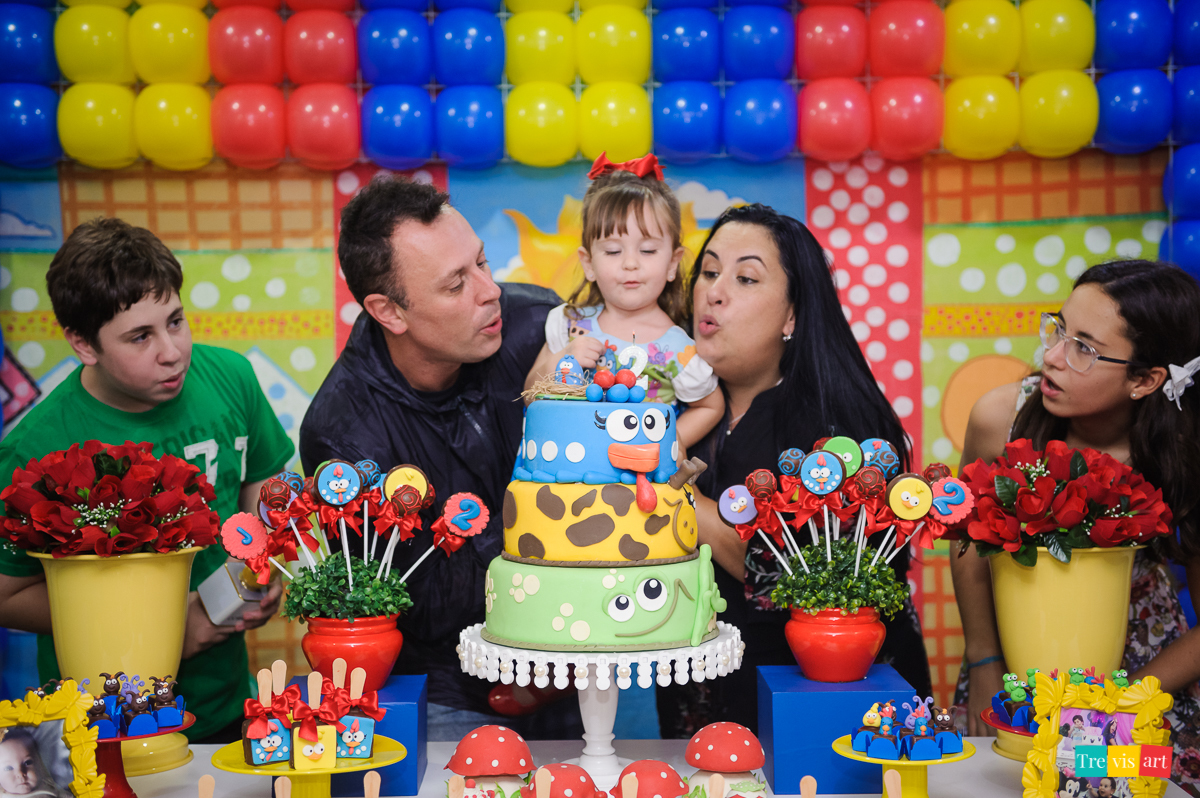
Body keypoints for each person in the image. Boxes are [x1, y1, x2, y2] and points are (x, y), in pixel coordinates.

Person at [299, 175, 578, 741]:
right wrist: (542, 473)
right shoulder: (344, 435)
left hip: (574, 669)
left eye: (481, 262)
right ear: (389, 311)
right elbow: (422, 604)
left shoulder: (538, 327)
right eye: (456, 284)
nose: (490, 291)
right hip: (452, 698)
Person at [0, 218, 293, 743]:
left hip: (227, 707)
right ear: (83, 344)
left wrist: (256, 566)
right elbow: (5, 594)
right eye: (140, 336)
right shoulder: (36, 448)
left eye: (175, 321)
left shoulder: (232, 378)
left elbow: (265, 490)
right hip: (100, 728)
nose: (172, 351)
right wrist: (165, 627)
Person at [656, 203, 932, 737]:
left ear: (792, 316)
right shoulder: (671, 407)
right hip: (700, 705)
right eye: (709, 272)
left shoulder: (842, 432)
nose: (714, 291)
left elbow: (802, 580)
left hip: (824, 712)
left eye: (745, 278)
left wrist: (667, 488)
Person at [950, 260, 1200, 794]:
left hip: (1141, 675)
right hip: (1014, 666)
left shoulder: (1185, 455)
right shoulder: (1000, 419)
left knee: (1128, 786)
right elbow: (967, 545)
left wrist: (1118, 705)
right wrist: (985, 661)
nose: (1052, 357)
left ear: (1145, 380)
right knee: (998, 783)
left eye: (1084, 348)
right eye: (1059, 329)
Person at [525, 154, 724, 451]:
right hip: (565, 473)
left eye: (647, 250)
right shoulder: (571, 324)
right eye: (613, 251)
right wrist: (564, 358)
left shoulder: (679, 350)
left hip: (639, 482)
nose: (630, 263)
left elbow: (710, 407)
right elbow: (529, 394)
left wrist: (670, 442)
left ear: (673, 262)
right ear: (588, 262)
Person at [0, 728, 64, 798]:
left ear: (39, 764)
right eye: (8, 768)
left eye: (27, 762)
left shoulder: (49, 785)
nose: (20, 773)